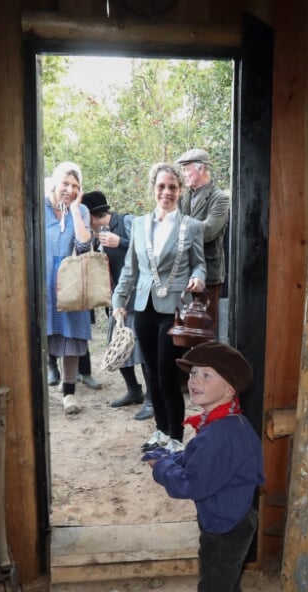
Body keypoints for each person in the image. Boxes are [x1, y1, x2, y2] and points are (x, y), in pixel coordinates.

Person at [143, 342, 263, 592]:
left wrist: (161, 467)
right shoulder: (224, 422)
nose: (195, 380)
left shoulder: (222, 435)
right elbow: (197, 463)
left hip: (223, 530)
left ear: (229, 389)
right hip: (236, 520)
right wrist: (171, 457)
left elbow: (191, 483)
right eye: (194, 373)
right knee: (226, 586)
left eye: (207, 375)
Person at [112, 162, 207, 454]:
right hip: (144, 307)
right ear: (154, 189)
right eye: (161, 187)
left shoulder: (191, 226)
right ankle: (161, 431)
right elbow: (130, 268)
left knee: (167, 374)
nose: (166, 192)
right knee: (151, 374)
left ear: (180, 191)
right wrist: (119, 301)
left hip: (175, 310)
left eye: (173, 187)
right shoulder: (139, 224)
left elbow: (200, 264)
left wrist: (198, 278)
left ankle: (176, 437)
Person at [81, 190, 148, 410]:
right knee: (116, 344)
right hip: (116, 299)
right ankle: (134, 390)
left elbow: (149, 251)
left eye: (84, 216)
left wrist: (121, 242)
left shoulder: (128, 222)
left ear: (92, 215)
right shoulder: (95, 235)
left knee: (145, 348)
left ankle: (153, 398)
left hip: (139, 295)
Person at [44, 161, 94, 415]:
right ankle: (37, 393)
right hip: (41, 280)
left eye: (75, 185)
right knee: (40, 337)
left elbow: (84, 247)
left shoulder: (82, 210)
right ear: (54, 182)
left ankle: (69, 393)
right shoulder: (38, 206)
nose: (70, 189)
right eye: (65, 183)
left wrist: (74, 210)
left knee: (71, 338)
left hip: (69, 281)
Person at [176, 148, 230, 335]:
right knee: (183, 329)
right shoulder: (183, 197)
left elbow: (208, 231)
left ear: (200, 169)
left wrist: (181, 228)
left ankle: (206, 365)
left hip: (208, 275)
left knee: (205, 332)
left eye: (186, 169)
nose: (183, 174)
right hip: (182, 272)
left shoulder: (220, 198)